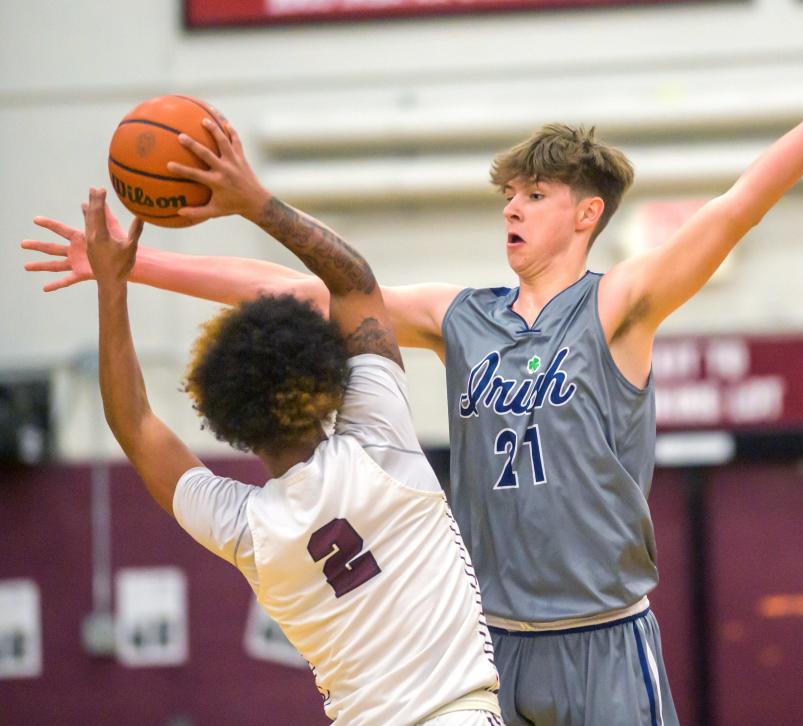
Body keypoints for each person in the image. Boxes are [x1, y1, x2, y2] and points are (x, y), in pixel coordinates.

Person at [25, 19, 803, 725]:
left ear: (586, 214)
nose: (513, 208)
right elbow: (301, 289)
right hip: (492, 648)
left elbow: (735, 210)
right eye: (507, 195)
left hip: (606, 632)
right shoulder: (463, 317)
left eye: (534, 196)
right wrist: (134, 265)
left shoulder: (619, 304)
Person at [74, 186, 502, 725]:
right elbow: (354, 282)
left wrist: (111, 285)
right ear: (324, 379)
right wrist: (251, 199)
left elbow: (134, 424)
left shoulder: (249, 531)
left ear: (231, 422)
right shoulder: (377, 443)